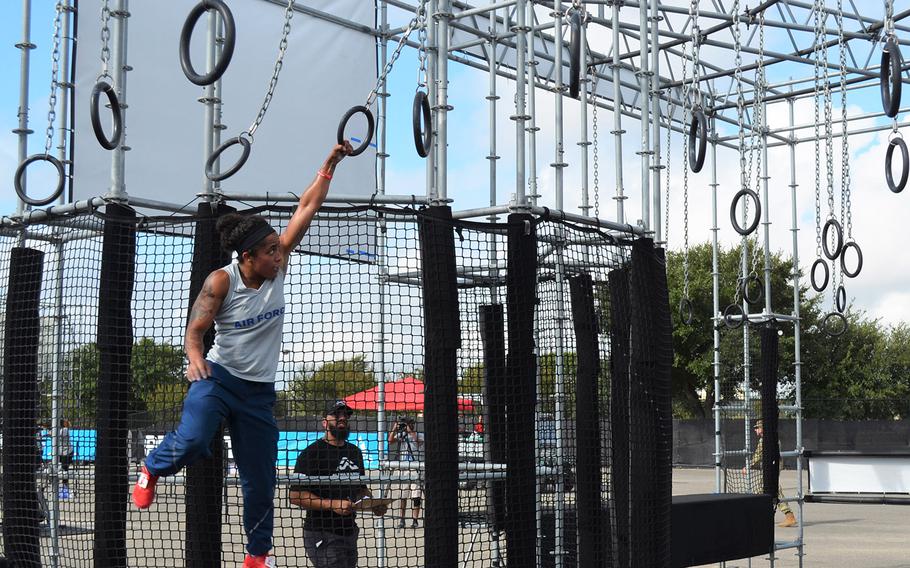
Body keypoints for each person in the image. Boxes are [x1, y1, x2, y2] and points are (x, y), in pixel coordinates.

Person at [131, 141, 354, 568]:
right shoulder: (221, 281)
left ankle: (256, 557)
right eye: (271, 250)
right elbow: (195, 331)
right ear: (248, 256)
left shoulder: (278, 266)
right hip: (218, 379)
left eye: (278, 247)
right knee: (194, 440)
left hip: (258, 394)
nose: (279, 253)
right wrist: (195, 357)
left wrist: (328, 167)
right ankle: (152, 467)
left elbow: (307, 208)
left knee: (259, 483)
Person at [290, 401, 387, 568]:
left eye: (345, 415)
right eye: (337, 414)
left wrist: (373, 504)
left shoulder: (354, 452)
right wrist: (332, 504)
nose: (342, 418)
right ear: (324, 422)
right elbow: (296, 496)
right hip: (322, 532)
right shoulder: (311, 454)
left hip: (350, 531)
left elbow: (360, 489)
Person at [746, 419, 797, 528]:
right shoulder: (770, 438)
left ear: (763, 428)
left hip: (772, 467)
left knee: (773, 489)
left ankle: (789, 515)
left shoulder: (766, 439)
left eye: (758, 428)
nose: (756, 431)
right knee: (761, 489)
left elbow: (757, 455)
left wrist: (748, 466)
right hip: (771, 466)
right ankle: (763, 515)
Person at [387, 416, 423, 528]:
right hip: (403, 468)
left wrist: (410, 431)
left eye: (409, 423)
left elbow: (417, 441)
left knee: (416, 496)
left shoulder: (419, 435)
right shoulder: (402, 435)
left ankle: (415, 520)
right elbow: (390, 440)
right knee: (403, 495)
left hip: (415, 468)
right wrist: (395, 428)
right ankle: (402, 520)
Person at [57, 419, 73, 499]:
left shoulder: (64, 430)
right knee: (61, 469)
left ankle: (65, 488)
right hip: (62, 452)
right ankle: (63, 487)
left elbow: (56, 435)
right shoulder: (61, 430)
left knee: (64, 469)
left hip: (67, 452)